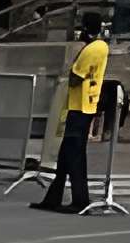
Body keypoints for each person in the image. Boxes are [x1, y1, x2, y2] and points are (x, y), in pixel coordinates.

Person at [28, 13, 108, 214]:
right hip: (79, 106)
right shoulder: (96, 47)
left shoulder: (93, 48)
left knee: (74, 155)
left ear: (86, 28)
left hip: (82, 107)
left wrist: (73, 65)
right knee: (65, 154)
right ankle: (53, 197)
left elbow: (74, 77)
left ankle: (81, 200)